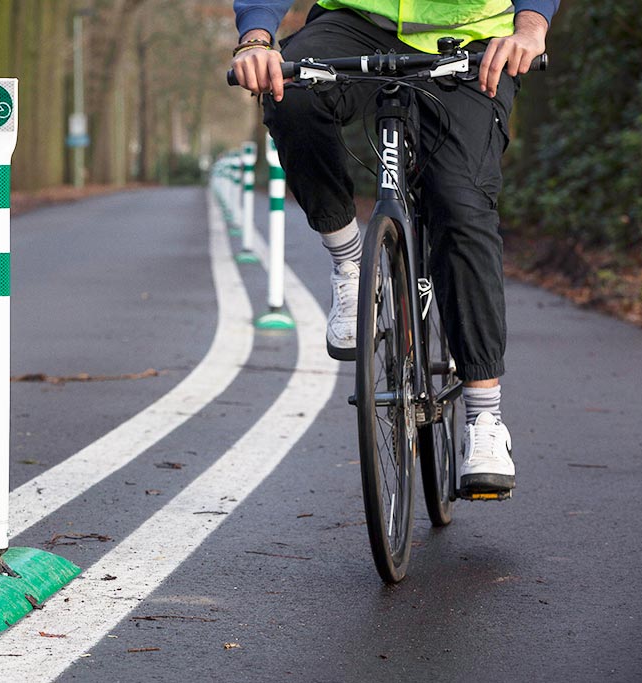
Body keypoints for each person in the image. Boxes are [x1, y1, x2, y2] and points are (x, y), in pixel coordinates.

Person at [231, 1, 559, 494]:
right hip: (357, 23)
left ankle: (484, 419)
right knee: (291, 95)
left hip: (473, 39)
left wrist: (531, 26)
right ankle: (349, 264)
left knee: (462, 206)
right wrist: (256, 36)